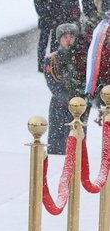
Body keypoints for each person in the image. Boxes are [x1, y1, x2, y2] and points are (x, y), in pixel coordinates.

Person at [45, 23, 85, 155]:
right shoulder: (51, 60)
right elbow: (53, 84)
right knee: (57, 138)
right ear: (59, 39)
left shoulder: (81, 58)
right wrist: (68, 97)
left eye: (72, 37)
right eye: (65, 37)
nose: (68, 40)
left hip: (78, 106)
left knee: (77, 141)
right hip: (60, 105)